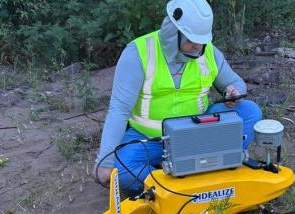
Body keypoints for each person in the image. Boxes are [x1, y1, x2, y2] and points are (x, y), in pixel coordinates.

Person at [94, 0, 261, 192]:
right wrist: (104, 162)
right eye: (190, 41)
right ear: (172, 34)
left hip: (198, 135)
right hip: (152, 140)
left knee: (249, 112)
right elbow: (119, 110)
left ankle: (201, 169)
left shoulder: (209, 52)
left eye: (201, 41)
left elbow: (236, 83)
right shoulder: (138, 53)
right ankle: (186, 184)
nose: (197, 48)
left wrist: (233, 91)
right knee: (121, 170)